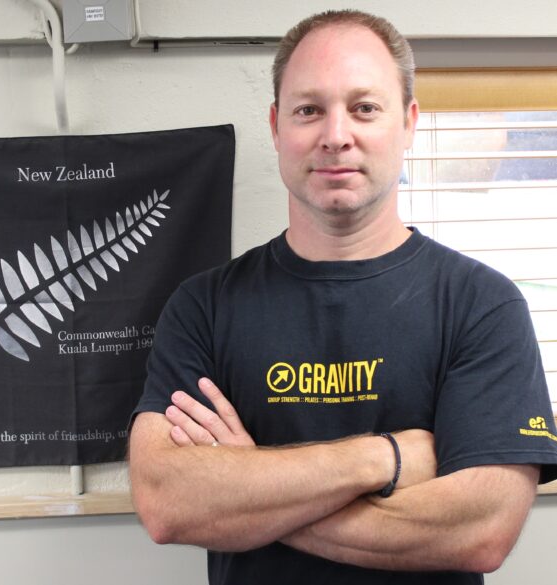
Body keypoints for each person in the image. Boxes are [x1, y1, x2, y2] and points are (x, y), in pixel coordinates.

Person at [129, 9, 557, 585]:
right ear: (276, 127)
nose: (336, 135)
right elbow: (167, 501)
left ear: (408, 123)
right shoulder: (203, 307)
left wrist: (248, 486)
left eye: (364, 108)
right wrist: (385, 458)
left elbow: (480, 531)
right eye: (309, 110)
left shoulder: (482, 305)